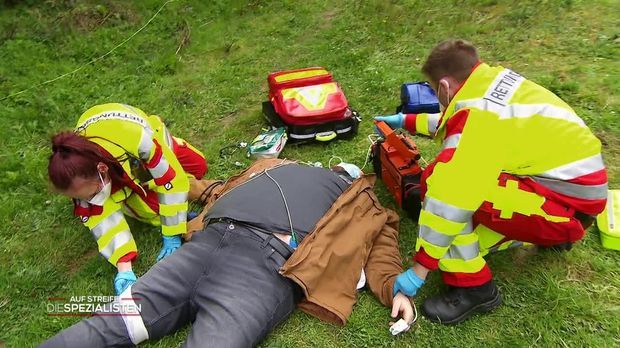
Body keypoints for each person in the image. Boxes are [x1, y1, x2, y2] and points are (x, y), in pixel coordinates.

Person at [40, 159, 413, 347]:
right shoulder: (274, 167)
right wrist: (175, 185)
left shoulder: (362, 201)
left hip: (264, 263)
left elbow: (380, 246)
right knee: (115, 322)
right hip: (208, 242)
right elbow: (214, 189)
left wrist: (395, 288)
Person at [375, 39, 608, 324]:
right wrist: (404, 120)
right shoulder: (493, 84)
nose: (439, 98)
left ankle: (473, 288)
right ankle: (551, 233)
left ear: (445, 87)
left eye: (436, 91)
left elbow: (449, 201)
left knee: (440, 185)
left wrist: (418, 272)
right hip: (575, 195)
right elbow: (457, 119)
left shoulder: (480, 120)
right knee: (463, 184)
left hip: (562, 212)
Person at [48, 103, 208, 295]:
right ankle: (132, 187)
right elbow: (103, 221)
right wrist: (124, 268)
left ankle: (169, 144)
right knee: (152, 210)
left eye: (92, 194)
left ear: (102, 170)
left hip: (144, 134)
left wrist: (172, 233)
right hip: (114, 157)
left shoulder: (137, 139)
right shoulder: (78, 176)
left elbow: (169, 180)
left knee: (198, 167)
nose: (92, 200)